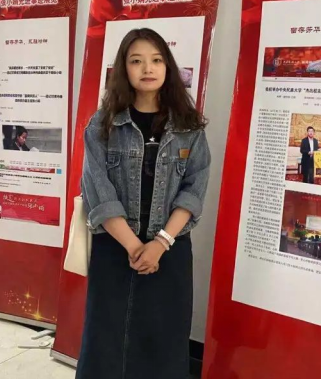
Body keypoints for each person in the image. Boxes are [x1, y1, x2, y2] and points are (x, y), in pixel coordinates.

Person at [76, 28, 211, 379]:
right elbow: (98, 192)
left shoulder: (189, 126)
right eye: (136, 61)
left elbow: (194, 190)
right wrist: (136, 248)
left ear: (167, 67)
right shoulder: (102, 125)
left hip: (170, 249)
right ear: (124, 69)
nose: (147, 68)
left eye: (156, 60)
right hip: (115, 249)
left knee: (164, 343)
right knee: (107, 342)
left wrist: (160, 244)